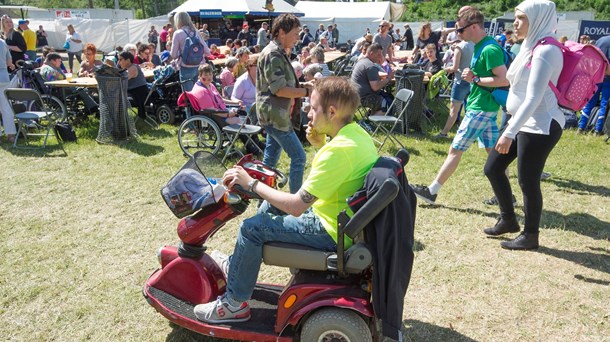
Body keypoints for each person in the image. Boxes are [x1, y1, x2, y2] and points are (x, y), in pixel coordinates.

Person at [193, 76, 378, 324]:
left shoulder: (339, 151)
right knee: (269, 206)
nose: (308, 113)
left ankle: (234, 305)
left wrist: (252, 184)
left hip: (330, 230)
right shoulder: (356, 135)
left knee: (252, 229)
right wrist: (319, 144)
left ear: (332, 111)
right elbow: (335, 177)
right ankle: (238, 265)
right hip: (341, 220)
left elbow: (296, 206)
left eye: (313, 107)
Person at [483, 0, 564, 250]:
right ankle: (508, 219)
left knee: (528, 181)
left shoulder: (545, 51)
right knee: (493, 168)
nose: (515, 23)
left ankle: (531, 236)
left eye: (521, 18)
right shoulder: (530, 45)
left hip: (539, 125)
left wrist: (508, 132)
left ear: (537, 20)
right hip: (523, 122)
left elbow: (533, 98)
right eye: (516, 17)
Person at [411, 7, 509, 205]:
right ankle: (507, 196)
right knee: (495, 154)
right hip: (484, 107)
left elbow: (504, 80)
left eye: (460, 30)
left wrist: (476, 78)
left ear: (473, 27)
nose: (457, 34)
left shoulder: (489, 49)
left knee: (455, 150)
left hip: (480, 108)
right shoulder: (480, 46)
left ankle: (432, 191)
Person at [256, 13, 312, 194]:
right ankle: (296, 202)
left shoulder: (278, 52)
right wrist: (307, 91)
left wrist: (303, 85)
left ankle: (263, 197)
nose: (298, 38)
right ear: (281, 32)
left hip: (274, 115)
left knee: (270, 160)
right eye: (295, 33)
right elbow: (280, 90)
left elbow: (283, 84)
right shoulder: (273, 54)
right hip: (275, 116)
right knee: (299, 157)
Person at [436, 38, 474, 138]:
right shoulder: (476, 44)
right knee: (470, 110)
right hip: (473, 81)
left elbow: (454, 68)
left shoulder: (459, 47)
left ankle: (444, 133)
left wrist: (445, 69)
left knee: (454, 110)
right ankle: (470, 133)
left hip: (460, 82)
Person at [577, 34, 610, 136]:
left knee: (589, 102)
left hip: (596, 76)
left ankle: (581, 127)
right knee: (604, 104)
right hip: (608, 79)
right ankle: (598, 130)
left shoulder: (601, 40)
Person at [170, 11, 210, 92]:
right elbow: (207, 52)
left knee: (189, 96)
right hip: (199, 67)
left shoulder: (178, 33)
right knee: (199, 94)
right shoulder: (196, 32)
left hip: (186, 67)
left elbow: (173, 55)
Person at [351, 43, 394, 116]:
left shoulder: (362, 61)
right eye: (378, 55)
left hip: (355, 95)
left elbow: (374, 75)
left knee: (388, 97)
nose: (380, 57)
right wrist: (388, 78)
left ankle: (371, 117)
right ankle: (371, 124)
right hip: (363, 98)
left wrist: (382, 66)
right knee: (388, 104)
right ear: (371, 53)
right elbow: (375, 87)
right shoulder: (370, 66)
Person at [117, 51, 150, 122]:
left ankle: (119, 123)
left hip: (139, 97)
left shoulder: (133, 68)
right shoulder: (128, 68)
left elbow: (121, 80)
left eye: (120, 59)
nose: (118, 62)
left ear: (128, 60)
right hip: (134, 95)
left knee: (116, 99)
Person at [0, 37, 16, 143]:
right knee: (6, 107)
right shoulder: (2, 42)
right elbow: (9, 61)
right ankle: (11, 135)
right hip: (4, 76)